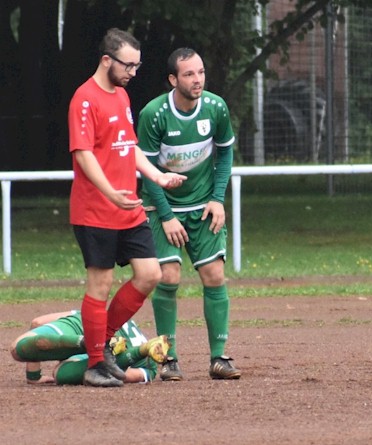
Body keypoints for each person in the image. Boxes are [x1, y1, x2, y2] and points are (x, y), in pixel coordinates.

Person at [68, 28, 186, 387]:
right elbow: (83, 155)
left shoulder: (120, 97)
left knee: (151, 273)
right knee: (100, 284)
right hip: (95, 210)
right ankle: (95, 363)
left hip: (128, 207)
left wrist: (158, 176)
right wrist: (110, 192)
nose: (133, 73)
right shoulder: (84, 99)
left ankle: (97, 343)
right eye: (128, 66)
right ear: (107, 60)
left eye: (137, 66)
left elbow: (129, 147)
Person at [136, 47, 240, 381]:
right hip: (162, 207)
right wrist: (165, 216)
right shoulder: (154, 113)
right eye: (189, 74)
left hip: (203, 206)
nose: (198, 80)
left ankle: (219, 358)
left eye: (201, 72)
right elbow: (146, 169)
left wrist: (217, 198)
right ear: (173, 79)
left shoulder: (215, 107)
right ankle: (168, 359)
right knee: (167, 278)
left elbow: (224, 153)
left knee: (214, 276)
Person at [10, 310, 170, 386]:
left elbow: (37, 323)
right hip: (137, 356)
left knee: (21, 349)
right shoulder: (149, 367)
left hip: (85, 321)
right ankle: (135, 349)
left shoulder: (90, 309)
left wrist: (33, 376)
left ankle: (87, 342)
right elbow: (125, 376)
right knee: (61, 372)